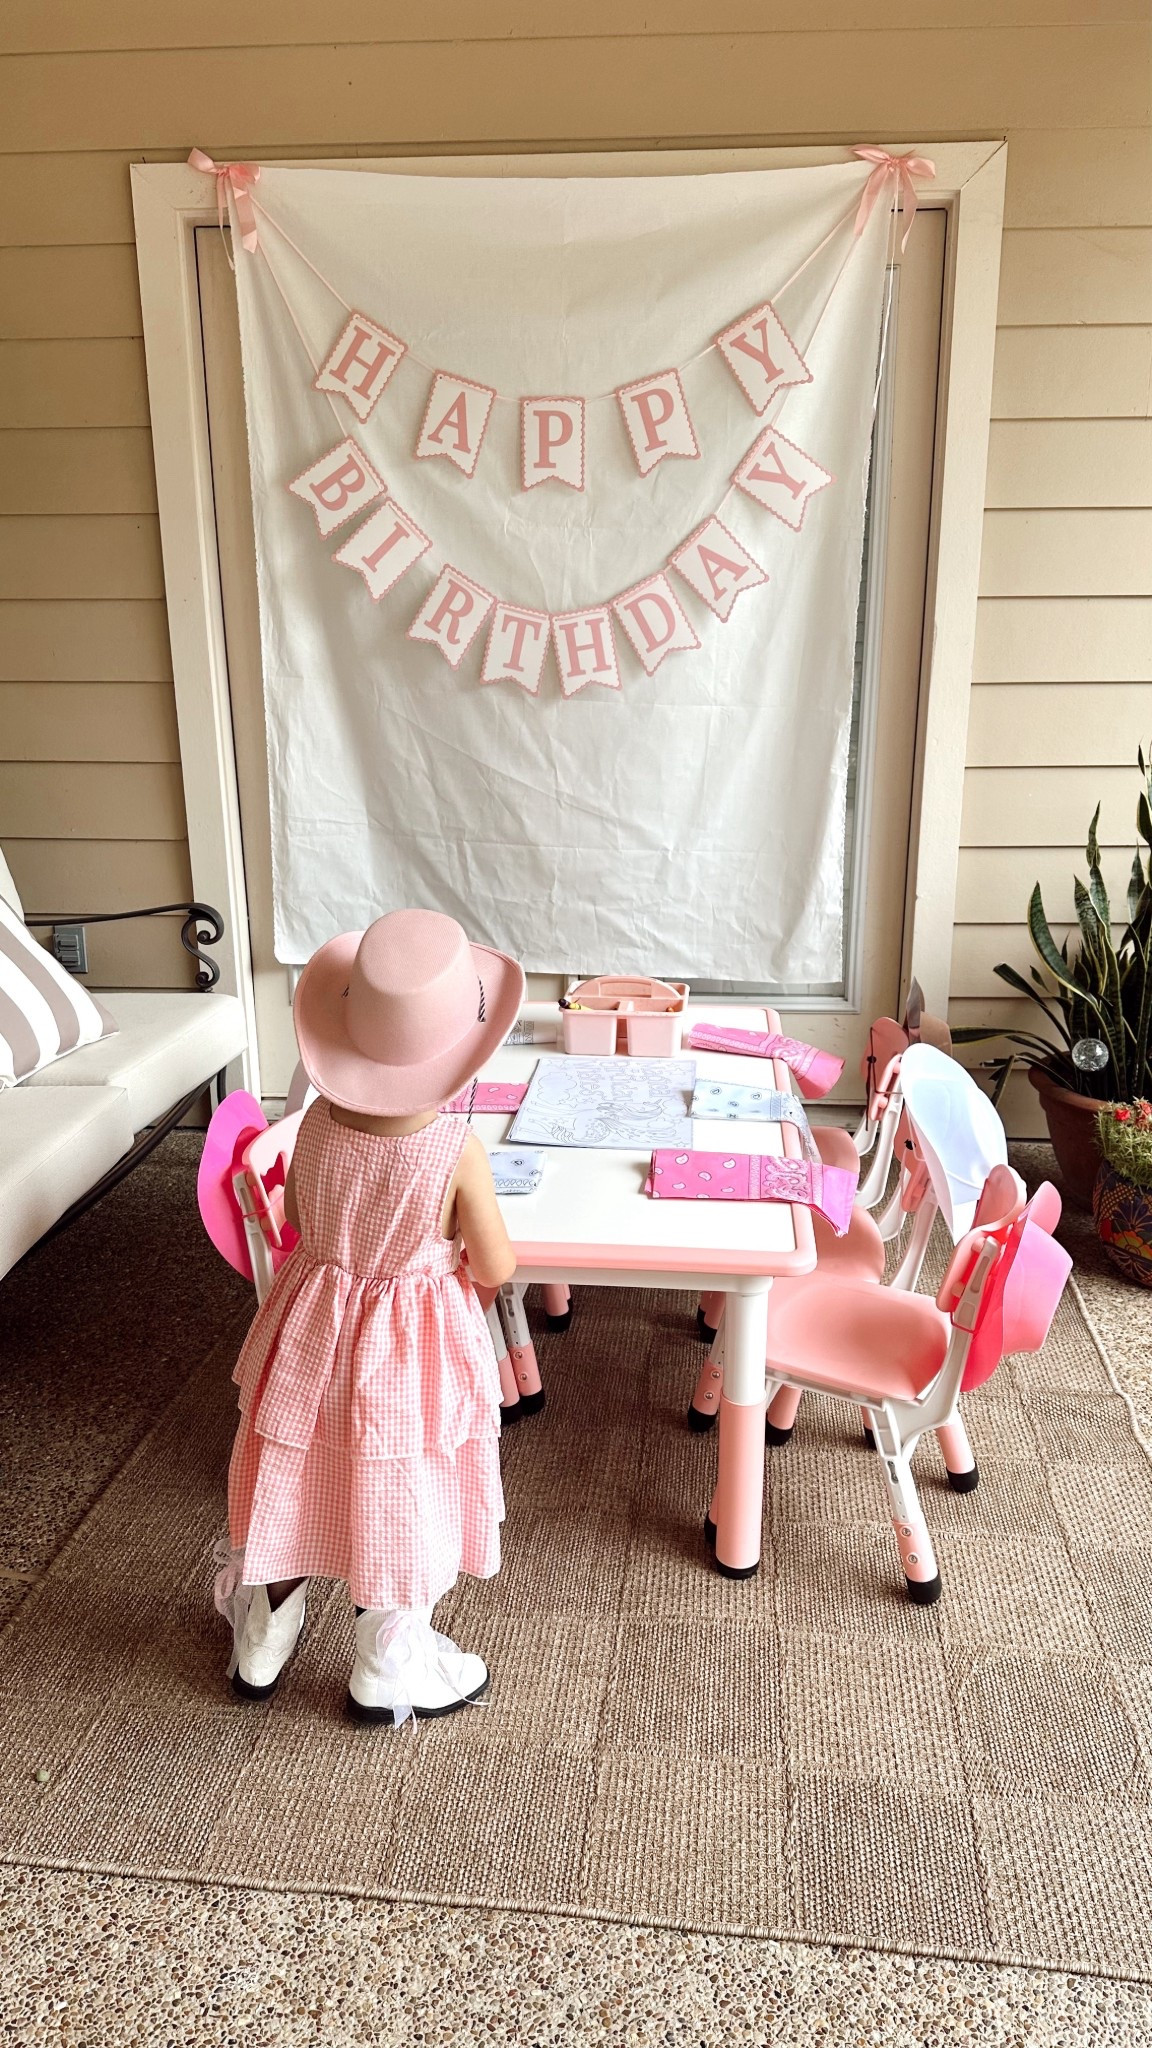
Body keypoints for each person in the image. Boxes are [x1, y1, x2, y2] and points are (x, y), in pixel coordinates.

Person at [214, 907, 524, 1726]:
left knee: (298, 1473)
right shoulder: (455, 1151)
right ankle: (387, 1661)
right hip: (407, 1353)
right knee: (400, 1483)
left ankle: (263, 1636)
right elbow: (496, 1265)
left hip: (311, 1332)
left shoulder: (314, 1122)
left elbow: (307, 1219)